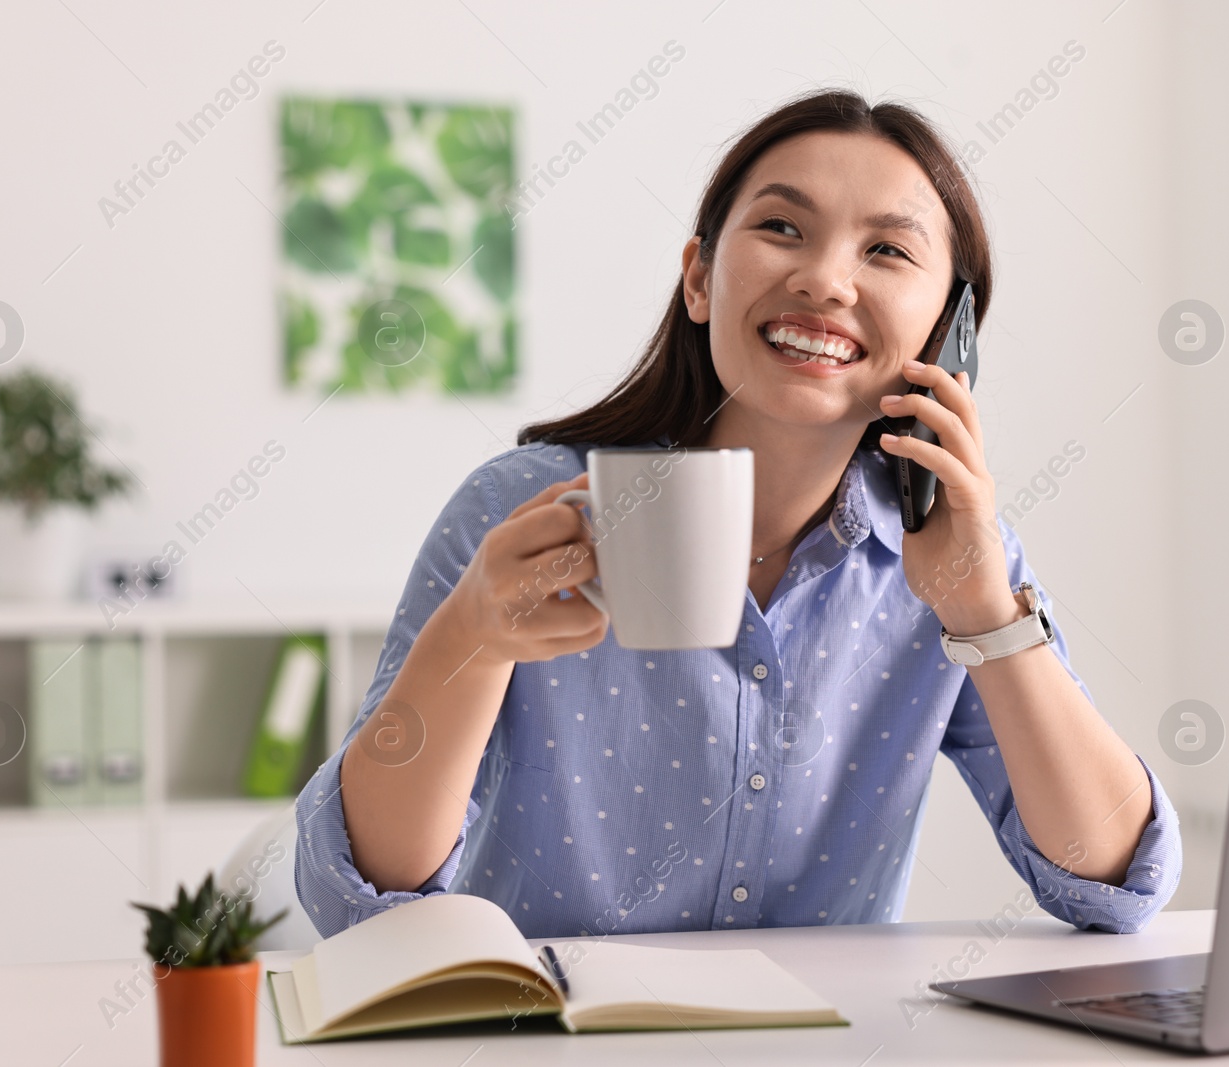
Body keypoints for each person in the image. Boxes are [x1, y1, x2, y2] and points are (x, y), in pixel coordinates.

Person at [295, 89, 1181, 940]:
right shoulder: (516, 507)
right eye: (782, 228)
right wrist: (472, 641)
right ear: (700, 280)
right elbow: (362, 893)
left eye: (887, 252)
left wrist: (988, 613)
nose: (826, 279)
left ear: (951, 335)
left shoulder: (956, 553)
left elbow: (1113, 882)